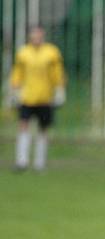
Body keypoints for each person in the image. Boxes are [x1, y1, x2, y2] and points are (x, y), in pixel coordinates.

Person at [10, 25, 65, 172]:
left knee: (43, 129)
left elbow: (57, 73)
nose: (37, 38)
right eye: (34, 36)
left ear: (43, 36)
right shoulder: (23, 53)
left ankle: (40, 163)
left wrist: (59, 89)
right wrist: (14, 90)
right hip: (27, 97)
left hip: (45, 97)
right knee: (23, 125)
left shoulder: (51, 52)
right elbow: (18, 73)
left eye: (39, 35)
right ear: (30, 36)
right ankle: (22, 161)